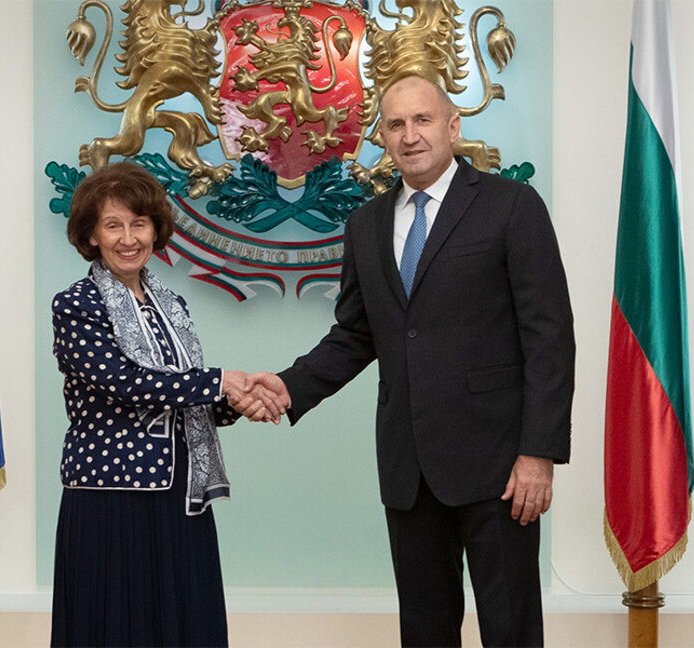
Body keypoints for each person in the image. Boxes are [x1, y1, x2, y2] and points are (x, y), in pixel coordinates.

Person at [243, 75, 575, 646]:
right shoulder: (366, 224)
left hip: (500, 466)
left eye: (422, 120)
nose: (410, 135)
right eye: (396, 124)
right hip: (409, 467)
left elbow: (550, 338)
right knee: (424, 631)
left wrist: (538, 453)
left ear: (453, 126)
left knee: (511, 629)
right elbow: (356, 334)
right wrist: (289, 386)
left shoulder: (511, 205)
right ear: (383, 137)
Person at [49, 162, 280, 647]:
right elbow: (124, 383)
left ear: (156, 230)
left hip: (178, 496)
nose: (128, 238)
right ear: (91, 235)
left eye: (139, 224)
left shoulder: (171, 304)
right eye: (113, 225)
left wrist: (238, 401)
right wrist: (220, 381)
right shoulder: (76, 305)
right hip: (110, 498)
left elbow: (185, 398)